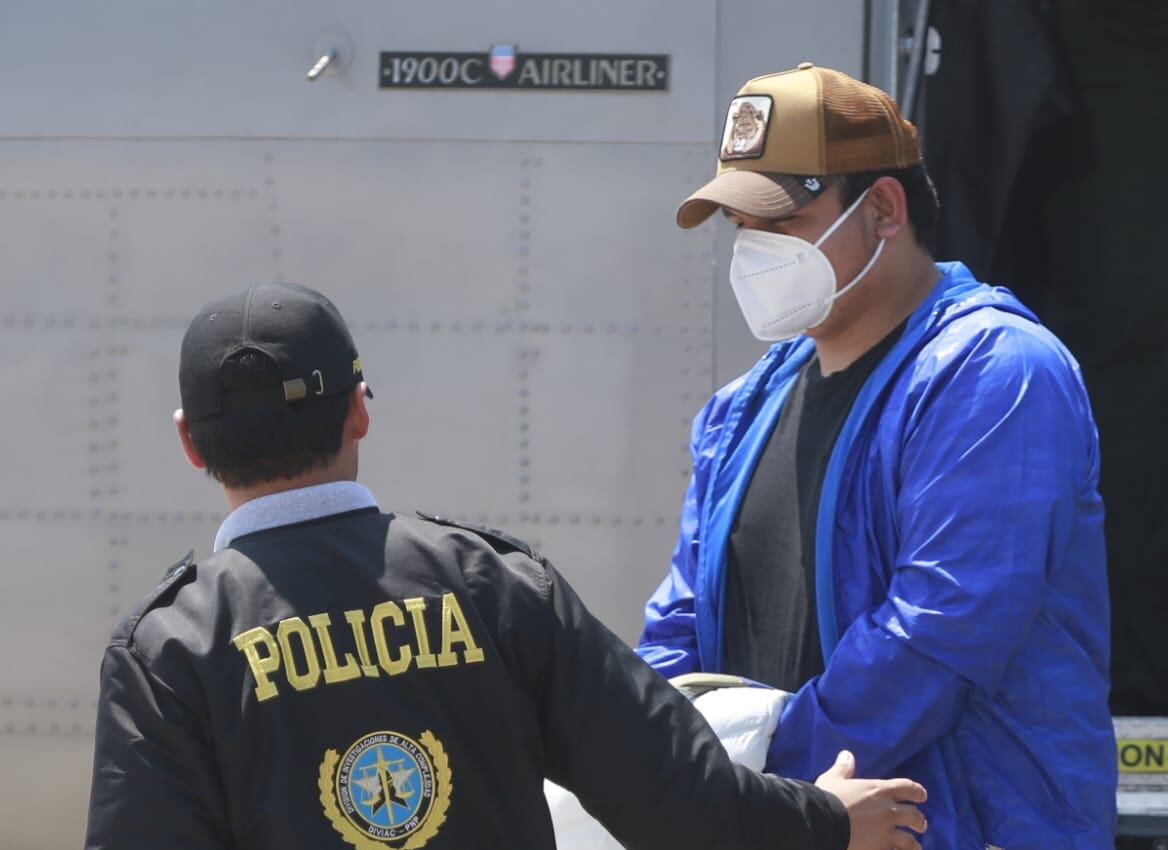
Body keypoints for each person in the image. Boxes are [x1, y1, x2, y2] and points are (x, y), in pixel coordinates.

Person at [83, 282, 927, 850]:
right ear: (358, 411)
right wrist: (830, 824)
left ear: (190, 439)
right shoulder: (496, 586)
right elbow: (678, 798)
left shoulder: (168, 651)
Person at [636, 63, 1116, 850]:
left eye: (780, 221)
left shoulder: (996, 372)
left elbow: (937, 633)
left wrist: (757, 780)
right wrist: (659, 756)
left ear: (884, 209)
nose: (753, 251)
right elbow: (681, 625)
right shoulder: (743, 407)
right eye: (740, 228)